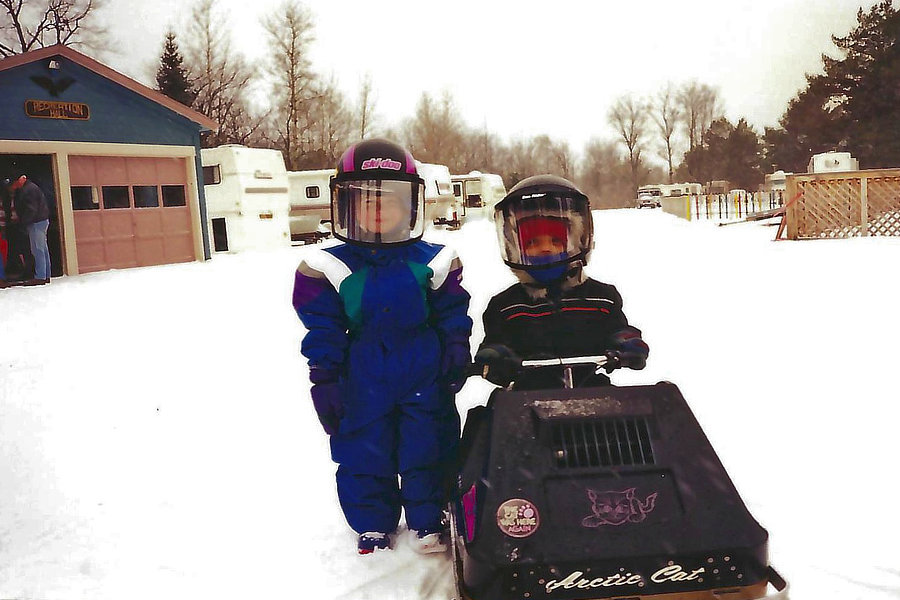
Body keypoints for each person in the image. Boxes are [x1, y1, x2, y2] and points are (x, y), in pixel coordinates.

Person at [291, 139, 472, 555]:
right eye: (365, 200)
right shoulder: (328, 266)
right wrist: (325, 378)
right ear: (344, 205)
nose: (377, 209)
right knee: (362, 446)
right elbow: (324, 328)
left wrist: (455, 346)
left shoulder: (433, 259)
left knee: (427, 441)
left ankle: (429, 517)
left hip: (422, 366)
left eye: (388, 200)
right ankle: (372, 520)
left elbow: (451, 311)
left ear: (410, 205)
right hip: (363, 371)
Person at [475, 174, 648, 390]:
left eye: (556, 241)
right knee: (489, 419)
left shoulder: (601, 298)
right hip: (526, 398)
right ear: (515, 247)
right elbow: (494, 343)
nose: (545, 248)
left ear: (576, 241)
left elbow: (616, 328)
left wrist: (626, 342)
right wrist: (495, 357)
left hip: (591, 393)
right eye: (533, 242)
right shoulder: (507, 306)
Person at [4, 175, 50, 285]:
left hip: (36, 222)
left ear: (21, 179)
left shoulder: (29, 190)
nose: (14, 186)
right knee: (42, 248)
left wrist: (23, 222)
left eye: (15, 183)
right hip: (41, 220)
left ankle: (40, 276)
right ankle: (46, 274)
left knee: (37, 249)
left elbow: (31, 209)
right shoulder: (29, 188)